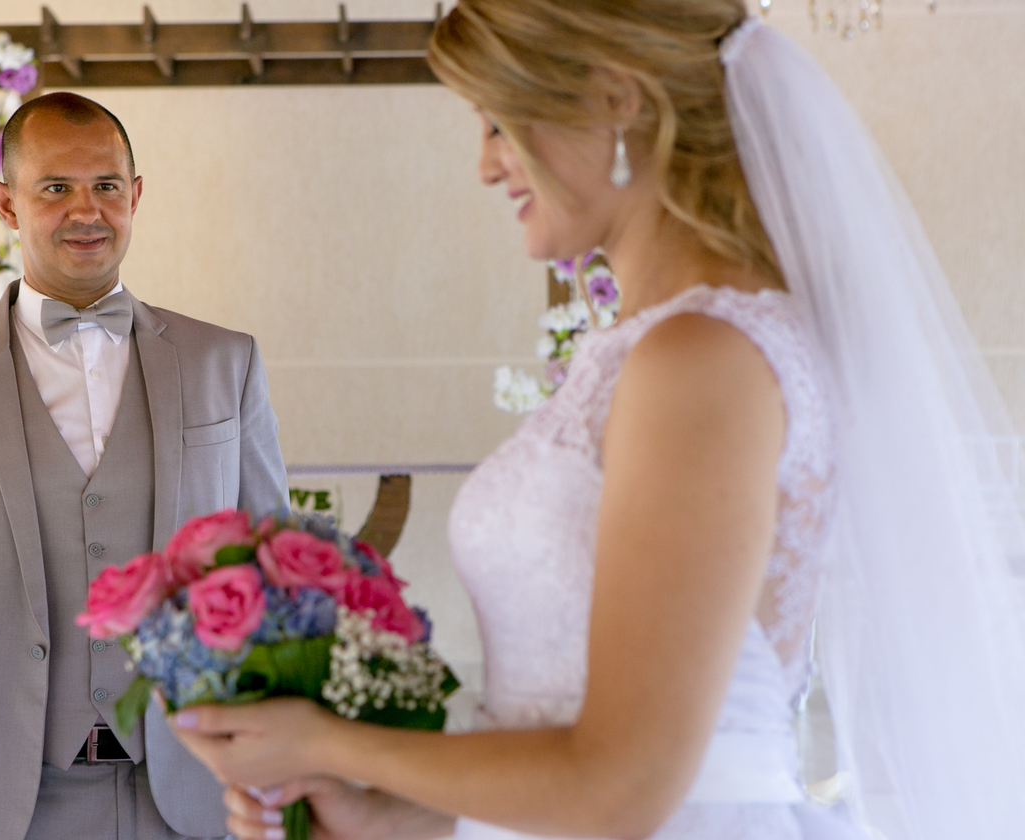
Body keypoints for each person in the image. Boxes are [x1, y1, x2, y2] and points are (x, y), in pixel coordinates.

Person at [167, 3, 1025, 840]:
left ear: (620, 98)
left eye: (500, 122)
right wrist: (397, 817)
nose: (484, 163)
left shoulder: (703, 358)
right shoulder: (654, 346)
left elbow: (625, 786)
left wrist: (326, 741)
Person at [0, 92, 288, 840]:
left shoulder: (227, 363)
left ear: (136, 195)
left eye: (106, 186)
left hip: (195, 798)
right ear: (7, 204)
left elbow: (273, 584)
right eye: (55, 188)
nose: (86, 211)